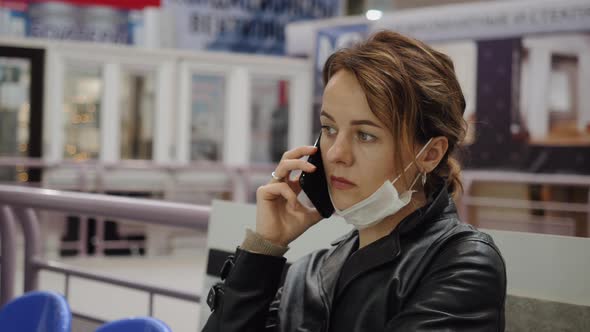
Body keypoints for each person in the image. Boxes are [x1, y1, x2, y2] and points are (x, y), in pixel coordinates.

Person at [203, 31, 506, 332]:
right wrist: (264, 249)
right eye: (329, 128)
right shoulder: (309, 273)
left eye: (365, 135)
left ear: (431, 154)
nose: (336, 153)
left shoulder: (463, 264)